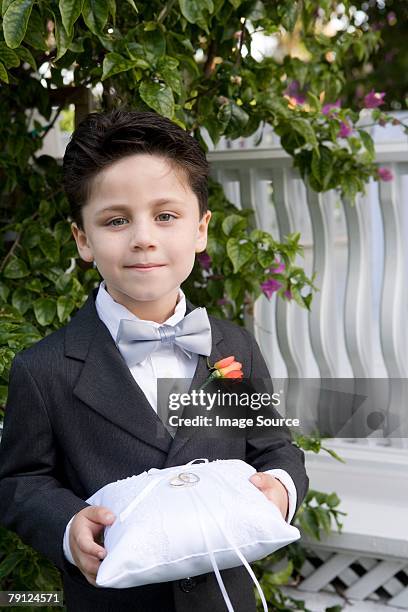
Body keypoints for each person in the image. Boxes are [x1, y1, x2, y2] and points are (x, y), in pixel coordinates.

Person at [0, 109, 309, 611]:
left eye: (165, 216)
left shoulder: (233, 348)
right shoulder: (44, 369)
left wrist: (280, 487)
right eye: (116, 220)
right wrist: (67, 526)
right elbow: (21, 481)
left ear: (201, 229)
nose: (143, 237)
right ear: (83, 238)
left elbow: (275, 446)